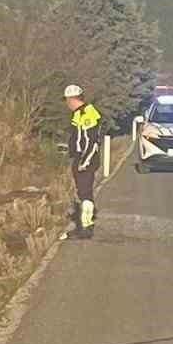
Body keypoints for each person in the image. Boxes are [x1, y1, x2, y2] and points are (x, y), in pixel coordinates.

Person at [63, 85, 102, 241]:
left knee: (85, 193)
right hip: (80, 158)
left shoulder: (87, 113)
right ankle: (83, 225)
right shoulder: (78, 113)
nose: (66, 103)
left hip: (87, 159)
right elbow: (77, 138)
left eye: (67, 100)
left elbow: (90, 141)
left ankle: (86, 228)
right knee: (81, 192)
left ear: (73, 99)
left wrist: (84, 161)